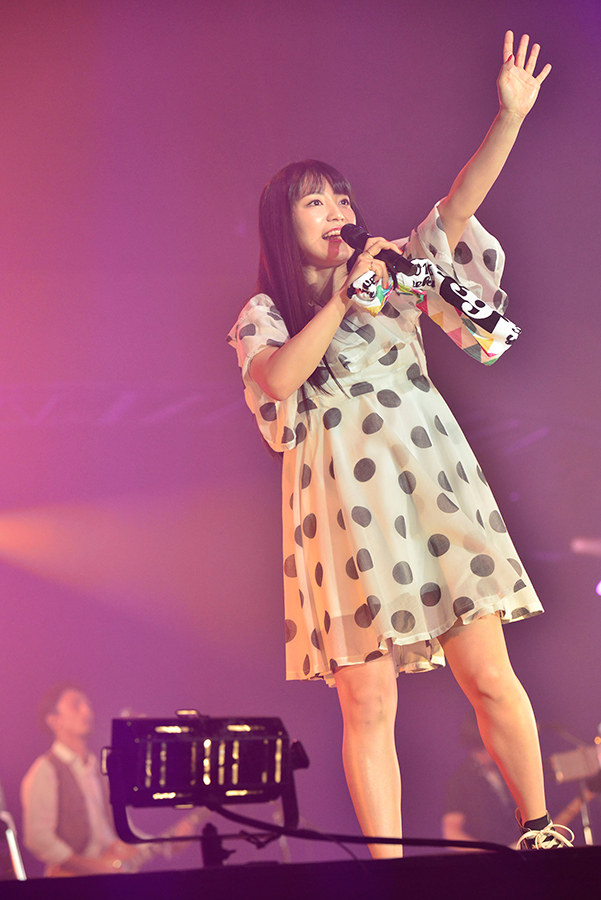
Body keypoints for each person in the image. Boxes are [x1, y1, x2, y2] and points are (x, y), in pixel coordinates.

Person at [229, 32, 572, 854]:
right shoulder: (265, 313)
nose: (337, 211)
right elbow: (277, 380)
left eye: (341, 198)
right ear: (282, 222)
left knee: (487, 673)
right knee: (368, 702)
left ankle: (538, 829)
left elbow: (457, 205)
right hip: (342, 510)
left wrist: (508, 117)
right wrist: (342, 301)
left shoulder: (396, 272)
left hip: (428, 484)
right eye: (316, 202)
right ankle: (388, 870)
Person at [20, 683, 198, 876]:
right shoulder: (46, 770)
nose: (87, 711)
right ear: (54, 721)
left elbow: (121, 832)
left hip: (109, 872)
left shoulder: (101, 768)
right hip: (71, 882)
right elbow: (38, 838)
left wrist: (167, 846)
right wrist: (91, 867)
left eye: (88, 705)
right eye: (76, 705)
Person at [442, 710, 520, 848]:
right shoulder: (460, 780)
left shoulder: (509, 769)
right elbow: (451, 833)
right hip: (494, 857)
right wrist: (491, 854)